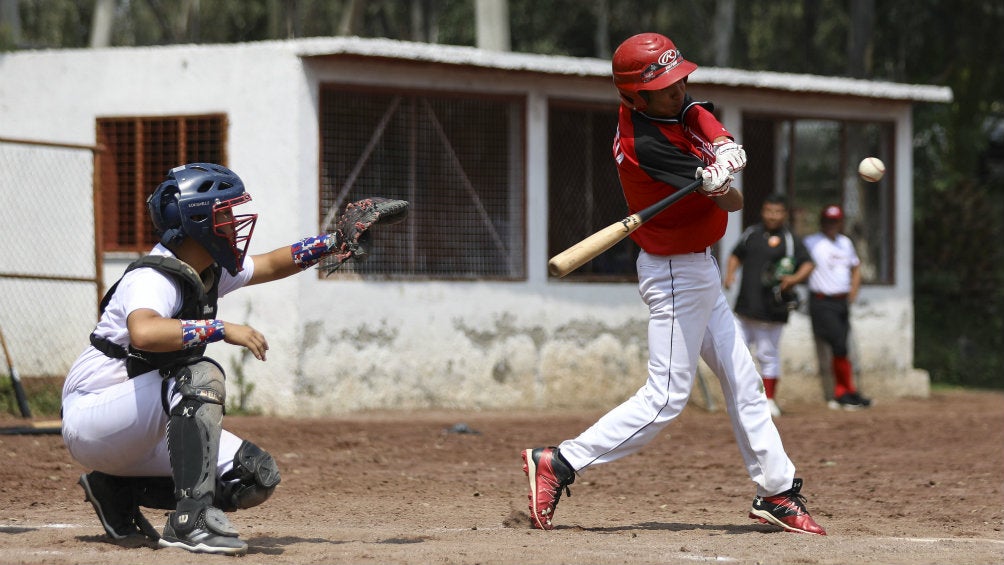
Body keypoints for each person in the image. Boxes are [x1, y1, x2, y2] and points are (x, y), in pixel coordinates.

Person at [521, 33, 825, 536]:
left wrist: (723, 145)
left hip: (698, 268)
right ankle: (561, 461)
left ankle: (776, 490)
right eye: (663, 87)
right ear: (633, 97)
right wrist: (718, 182)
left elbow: (696, 114)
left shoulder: (670, 109)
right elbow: (733, 204)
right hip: (673, 272)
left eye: (679, 79)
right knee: (665, 397)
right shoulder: (644, 145)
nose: (677, 90)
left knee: (744, 381)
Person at [61, 163, 406, 555]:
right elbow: (145, 332)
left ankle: (114, 489)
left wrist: (332, 241)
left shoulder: (203, 268)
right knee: (201, 375)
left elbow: (273, 263)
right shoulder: (152, 278)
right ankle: (191, 520)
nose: (233, 221)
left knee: (253, 477)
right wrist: (220, 328)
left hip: (140, 422)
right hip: (95, 415)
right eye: (224, 212)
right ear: (196, 219)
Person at [724, 194, 814, 417]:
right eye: (768, 211)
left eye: (777, 211)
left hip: (772, 309)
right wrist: (730, 274)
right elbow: (735, 255)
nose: (772, 216)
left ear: (784, 214)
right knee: (737, 354)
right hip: (745, 307)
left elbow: (808, 264)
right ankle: (742, 399)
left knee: (767, 354)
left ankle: (769, 400)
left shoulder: (790, 239)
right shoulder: (752, 233)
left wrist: (793, 279)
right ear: (763, 211)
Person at [803, 204, 871, 410]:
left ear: (840, 223)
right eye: (827, 221)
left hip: (841, 301)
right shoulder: (811, 242)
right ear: (822, 222)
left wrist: (853, 291)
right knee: (838, 344)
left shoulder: (845, 243)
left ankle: (848, 390)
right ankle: (842, 392)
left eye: (835, 221)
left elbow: (855, 267)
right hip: (822, 300)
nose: (831, 225)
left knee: (842, 346)